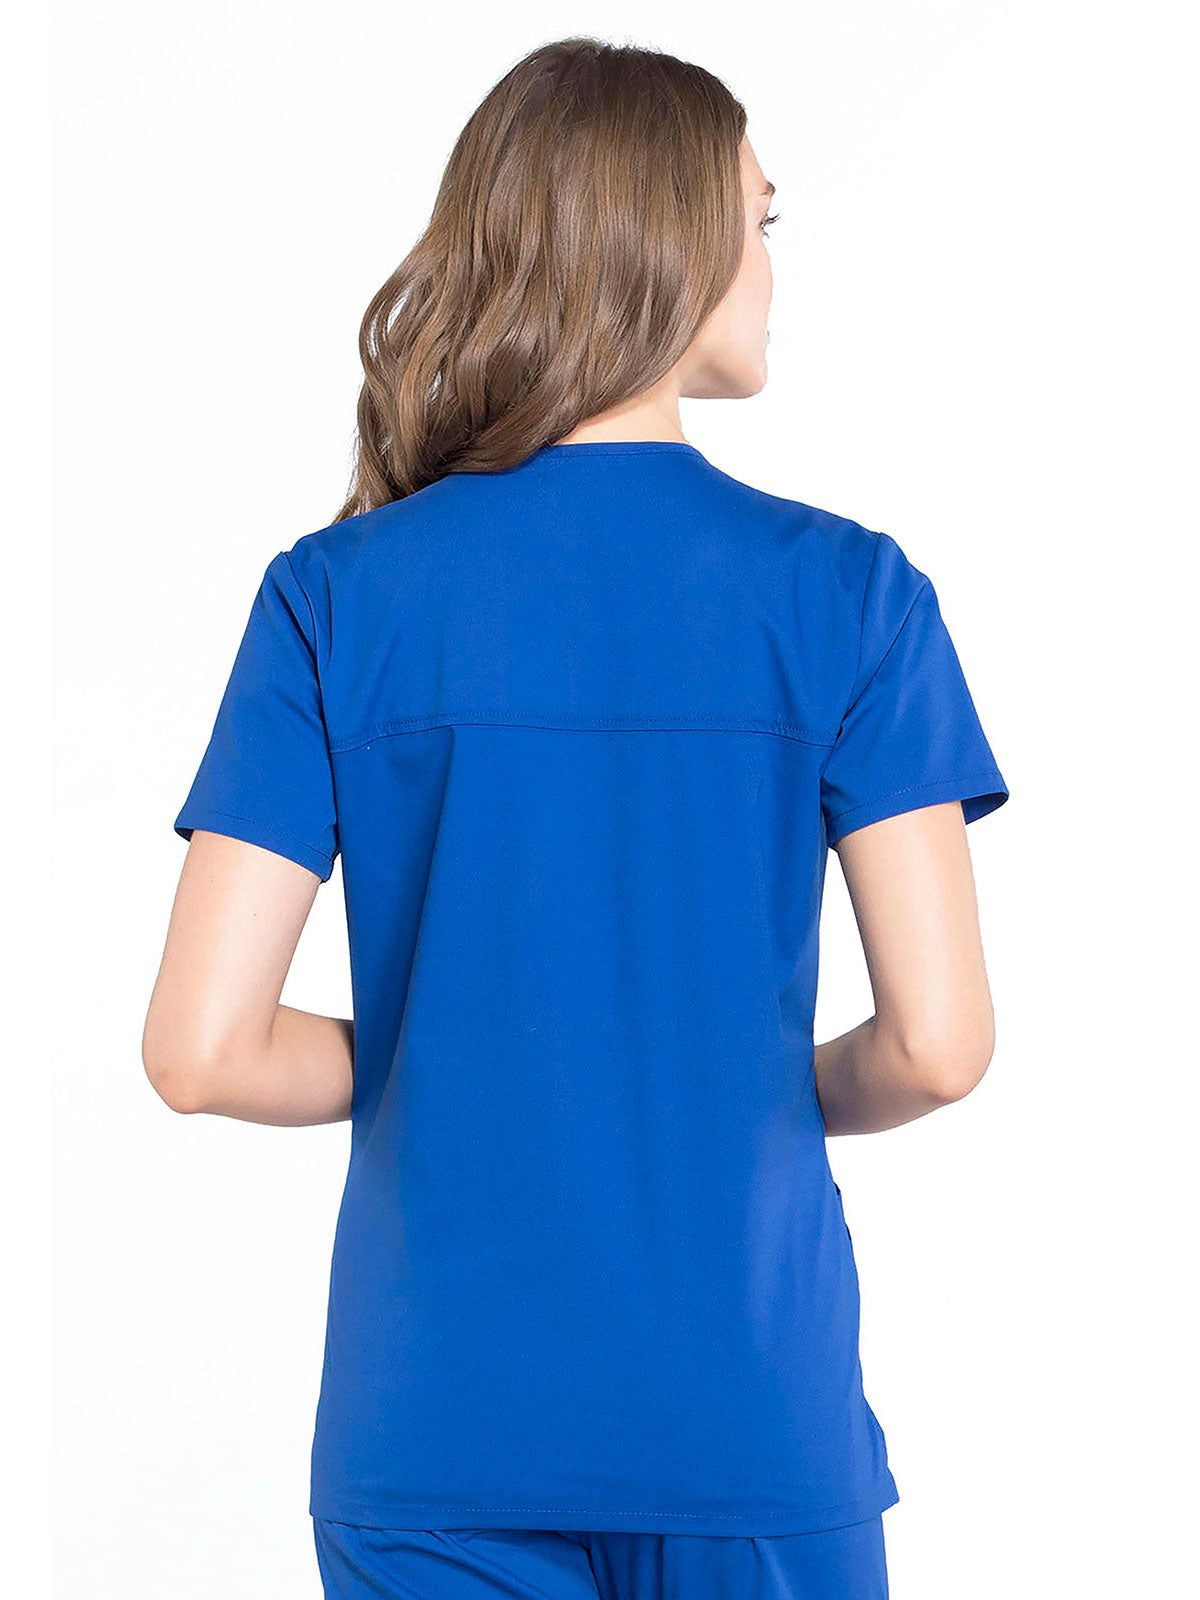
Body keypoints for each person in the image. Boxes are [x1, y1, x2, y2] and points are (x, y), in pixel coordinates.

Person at [143, 36, 1009, 1600]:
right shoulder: (848, 594)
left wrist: (450, 1050)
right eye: (758, 219)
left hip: (433, 1438)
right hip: (749, 1422)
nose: (770, 263)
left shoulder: (333, 595)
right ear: (668, 238)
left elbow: (202, 1051)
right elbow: (938, 1047)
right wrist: (733, 1076)